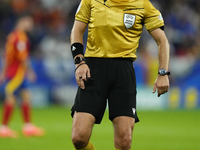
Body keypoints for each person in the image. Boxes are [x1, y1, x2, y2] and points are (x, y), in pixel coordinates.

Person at [70, 0, 170, 150]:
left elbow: (162, 41)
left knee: (124, 142)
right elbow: (76, 30)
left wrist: (163, 72)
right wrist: (79, 62)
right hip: (93, 69)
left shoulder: (142, 4)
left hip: (123, 72)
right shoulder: (90, 1)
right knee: (79, 138)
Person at [0, 14, 44, 138]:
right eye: (28, 22)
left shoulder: (13, 36)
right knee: (11, 98)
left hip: (14, 71)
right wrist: (30, 71)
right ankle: (3, 128)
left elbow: (7, 55)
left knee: (26, 96)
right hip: (17, 73)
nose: (30, 25)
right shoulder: (20, 38)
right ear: (21, 22)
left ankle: (28, 126)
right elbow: (23, 57)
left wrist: (3, 72)